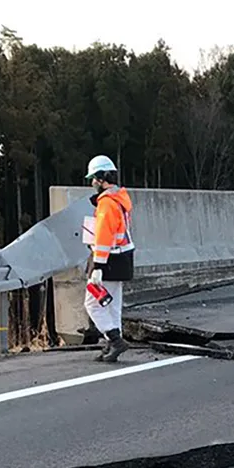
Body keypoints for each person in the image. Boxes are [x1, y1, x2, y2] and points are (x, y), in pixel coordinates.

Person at [82, 154, 134, 362]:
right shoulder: (119, 198)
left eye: (95, 178)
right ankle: (112, 343)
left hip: (110, 260)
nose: (93, 183)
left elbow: (104, 236)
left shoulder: (107, 203)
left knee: (93, 303)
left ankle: (115, 341)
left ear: (102, 178)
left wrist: (98, 266)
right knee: (112, 304)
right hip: (122, 257)